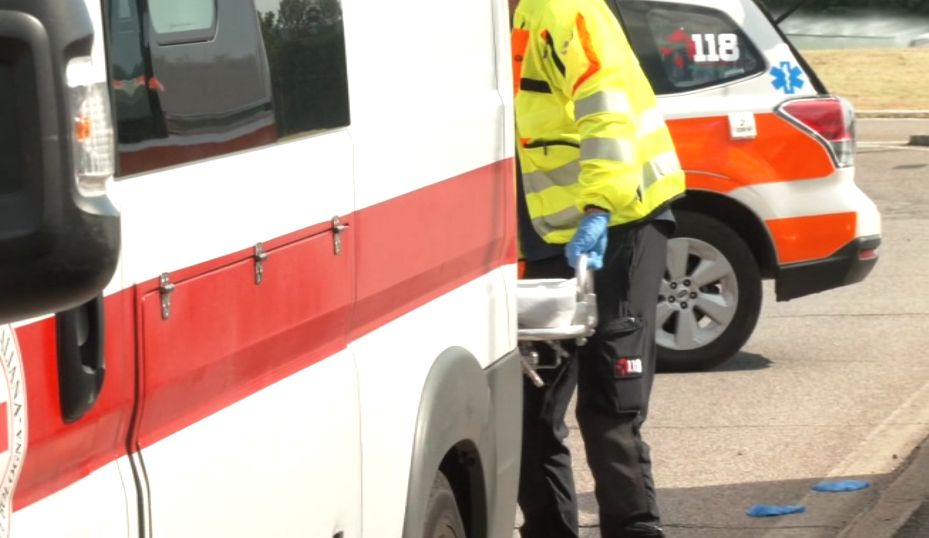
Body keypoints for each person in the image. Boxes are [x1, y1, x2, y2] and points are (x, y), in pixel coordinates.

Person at [509, 0, 686, 536]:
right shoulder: (494, 21)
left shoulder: (565, 11)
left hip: (620, 221)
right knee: (527, 410)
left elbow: (606, 107)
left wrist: (599, 206)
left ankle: (634, 528)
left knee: (609, 402)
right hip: (548, 233)